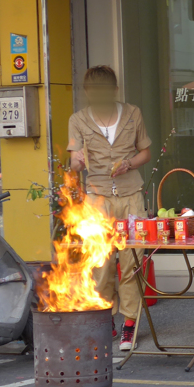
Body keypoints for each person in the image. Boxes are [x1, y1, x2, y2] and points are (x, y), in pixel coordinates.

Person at [67, 65, 152, 351]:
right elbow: (75, 164)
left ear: (115, 90)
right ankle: (104, 319)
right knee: (100, 264)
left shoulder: (132, 113)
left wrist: (130, 163)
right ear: (87, 92)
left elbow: (145, 151)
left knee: (132, 261)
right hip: (97, 198)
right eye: (93, 91)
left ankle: (130, 324)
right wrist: (77, 159)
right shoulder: (77, 120)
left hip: (131, 195)